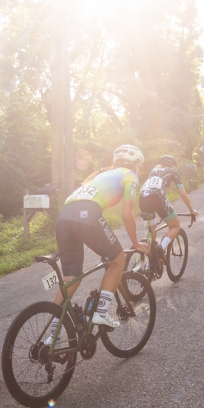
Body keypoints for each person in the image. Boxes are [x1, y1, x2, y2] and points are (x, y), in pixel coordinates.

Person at [48, 145, 149, 341]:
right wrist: (136, 244)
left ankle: (52, 336)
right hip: (86, 214)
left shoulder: (101, 174)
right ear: (135, 164)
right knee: (118, 260)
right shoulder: (130, 175)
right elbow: (127, 215)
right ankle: (100, 313)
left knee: (71, 278)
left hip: (64, 216)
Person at [139, 155, 199, 258]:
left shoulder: (153, 170)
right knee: (175, 226)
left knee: (151, 236)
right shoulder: (173, 171)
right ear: (172, 164)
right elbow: (183, 194)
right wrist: (191, 210)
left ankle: (149, 266)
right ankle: (161, 249)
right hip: (158, 197)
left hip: (143, 198)